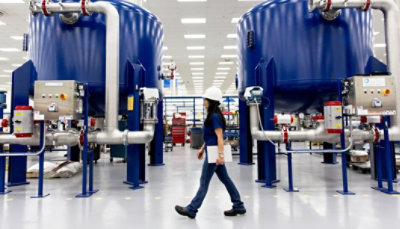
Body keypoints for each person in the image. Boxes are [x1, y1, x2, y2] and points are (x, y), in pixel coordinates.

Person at [175, 87, 246, 219]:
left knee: (203, 182)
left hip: (214, 155)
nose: (204, 101)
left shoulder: (214, 117)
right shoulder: (211, 115)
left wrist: (220, 156)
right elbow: (210, 136)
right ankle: (239, 205)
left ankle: (192, 209)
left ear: (211, 101)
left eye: (205, 99)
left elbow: (219, 137)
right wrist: (202, 148)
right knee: (226, 179)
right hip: (211, 150)